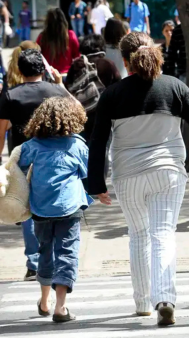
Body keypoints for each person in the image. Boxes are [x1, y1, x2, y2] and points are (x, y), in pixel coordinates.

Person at [88, 31, 189, 326]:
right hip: (168, 172)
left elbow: (98, 141)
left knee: (139, 236)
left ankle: (143, 302)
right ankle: (165, 299)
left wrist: (96, 183)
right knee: (163, 235)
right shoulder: (175, 87)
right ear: (155, 51)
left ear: (124, 59)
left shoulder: (113, 94)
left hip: (128, 175)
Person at [0, 49, 70, 283]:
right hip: (52, 156)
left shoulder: (10, 95)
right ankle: (52, 259)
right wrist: (60, 84)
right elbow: (76, 116)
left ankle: (34, 262)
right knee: (50, 206)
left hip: (23, 158)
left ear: (20, 70)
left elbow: (0, 133)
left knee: (25, 208)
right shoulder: (54, 91)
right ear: (43, 69)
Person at [19, 96, 91, 323]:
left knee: (45, 251)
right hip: (69, 208)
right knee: (67, 253)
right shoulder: (77, 145)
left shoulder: (31, 146)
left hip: (40, 209)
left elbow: (17, 170)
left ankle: (44, 301)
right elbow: (87, 173)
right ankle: (61, 307)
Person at [65, 34, 122, 141]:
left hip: (81, 116)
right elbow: (118, 87)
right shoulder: (107, 64)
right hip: (104, 115)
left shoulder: (75, 65)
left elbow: (67, 89)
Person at [36, 8, 80, 74]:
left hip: (48, 76)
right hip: (66, 75)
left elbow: (36, 55)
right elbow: (77, 56)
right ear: (64, 21)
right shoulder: (71, 35)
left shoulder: (42, 37)